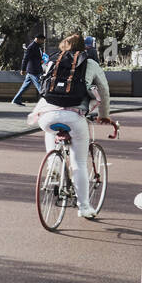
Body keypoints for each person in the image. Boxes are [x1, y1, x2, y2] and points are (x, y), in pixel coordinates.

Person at [27, 33, 115, 219]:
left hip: (46, 115)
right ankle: (84, 207)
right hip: (74, 116)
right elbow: (104, 91)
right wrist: (104, 116)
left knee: (50, 130)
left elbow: (43, 86)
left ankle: (54, 165)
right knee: (79, 163)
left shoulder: (52, 61)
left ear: (63, 46)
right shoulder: (90, 63)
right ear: (84, 47)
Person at [11, 32, 47, 106]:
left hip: (35, 68)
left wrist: (40, 60)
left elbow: (36, 57)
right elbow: (25, 59)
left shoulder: (37, 46)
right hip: (33, 70)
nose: (43, 42)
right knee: (40, 86)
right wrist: (23, 69)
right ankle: (47, 101)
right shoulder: (31, 47)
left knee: (25, 86)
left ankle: (16, 100)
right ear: (37, 39)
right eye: (42, 40)